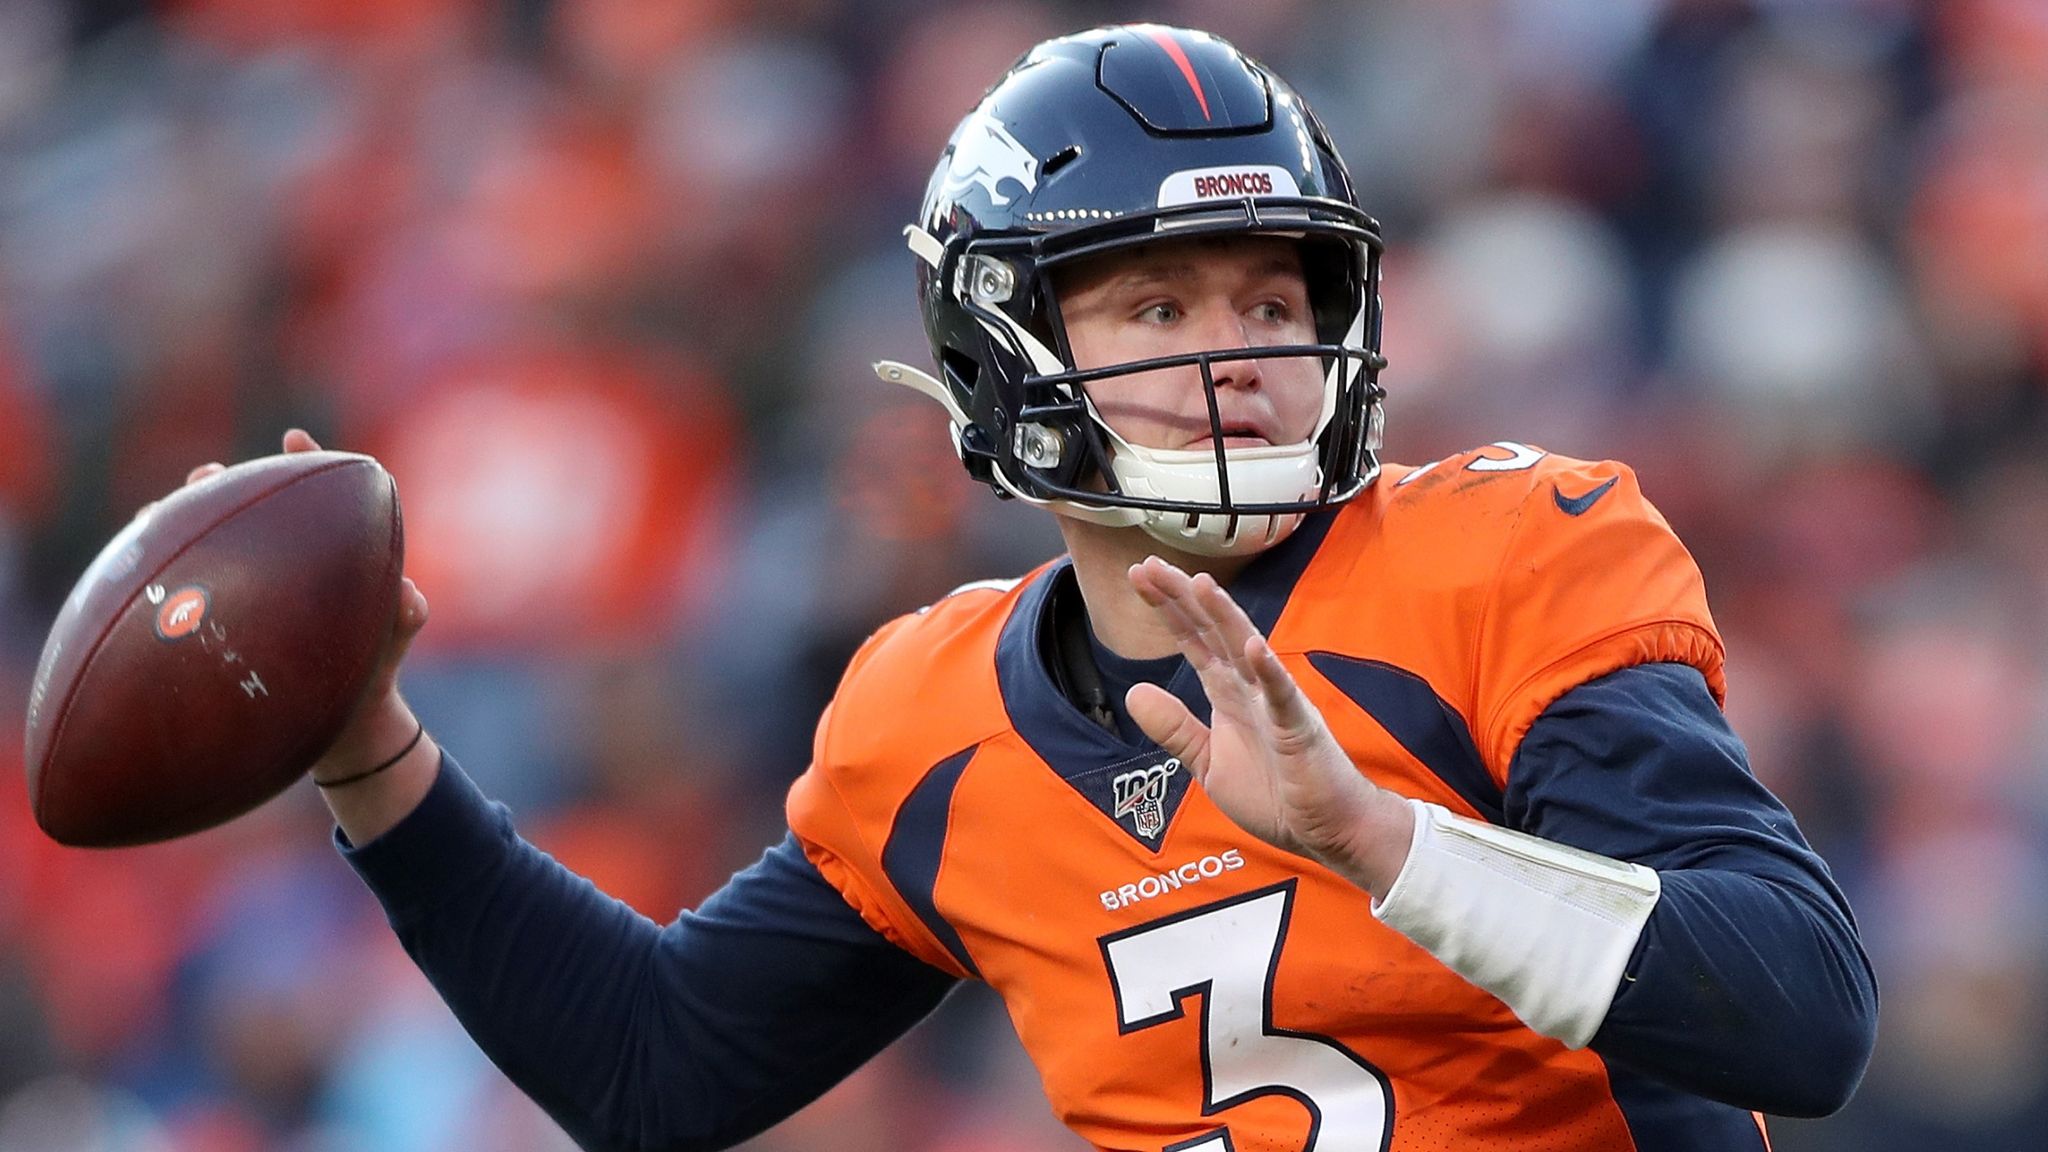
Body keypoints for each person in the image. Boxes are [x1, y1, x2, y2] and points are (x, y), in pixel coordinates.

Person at [199, 24, 1877, 1151]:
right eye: (1155, 312)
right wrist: (371, 754)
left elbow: (1802, 1016)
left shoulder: (1507, 555)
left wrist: (1382, 838)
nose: (1237, 356)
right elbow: (654, 1067)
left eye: (1268, 298)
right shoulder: (924, 718)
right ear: (1001, 358)